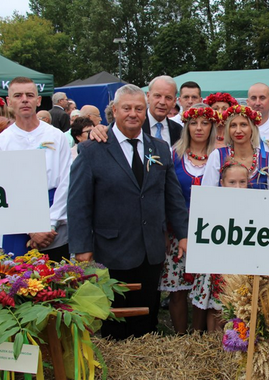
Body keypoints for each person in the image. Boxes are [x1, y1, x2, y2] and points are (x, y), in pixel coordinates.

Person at [68, 84, 189, 340]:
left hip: (151, 248)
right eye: (126, 108)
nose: (133, 114)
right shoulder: (91, 150)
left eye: (138, 108)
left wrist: (184, 234)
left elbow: (173, 197)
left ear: (145, 112)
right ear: (114, 110)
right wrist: (81, 248)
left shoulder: (160, 148)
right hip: (112, 249)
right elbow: (78, 204)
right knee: (115, 319)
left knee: (148, 316)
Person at [159, 103, 218, 335]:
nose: (199, 128)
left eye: (205, 123)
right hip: (178, 231)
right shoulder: (174, 154)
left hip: (210, 232)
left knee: (204, 285)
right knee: (177, 288)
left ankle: (198, 334)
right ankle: (181, 336)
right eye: (194, 123)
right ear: (186, 126)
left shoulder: (219, 155)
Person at [0, 77, 71, 261]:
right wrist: (31, 228)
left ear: (38, 100)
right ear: (9, 102)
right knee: (18, 284)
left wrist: (50, 224)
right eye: (18, 95)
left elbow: (66, 182)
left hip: (53, 220)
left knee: (56, 283)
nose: (24, 99)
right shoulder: (3, 141)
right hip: (15, 221)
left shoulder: (56, 136)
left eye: (29, 95)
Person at [190, 160, 249, 333]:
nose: (237, 187)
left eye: (242, 182)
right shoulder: (212, 205)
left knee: (236, 308)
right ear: (222, 183)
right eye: (232, 182)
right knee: (215, 308)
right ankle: (212, 342)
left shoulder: (253, 205)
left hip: (239, 268)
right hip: (216, 265)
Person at [202, 105, 269, 189]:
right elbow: (208, 193)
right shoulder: (217, 156)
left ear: (252, 128)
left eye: (243, 125)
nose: (238, 131)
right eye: (233, 125)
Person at [143, 75, 183, 147]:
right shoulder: (136, 126)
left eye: (168, 98)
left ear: (174, 102)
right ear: (148, 97)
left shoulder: (179, 131)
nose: (162, 102)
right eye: (157, 96)